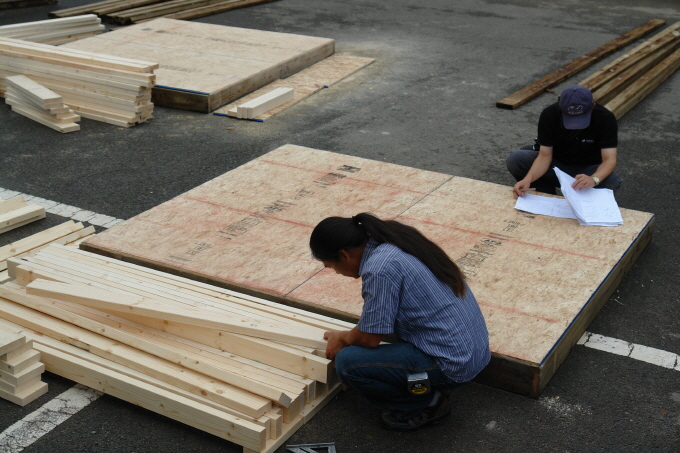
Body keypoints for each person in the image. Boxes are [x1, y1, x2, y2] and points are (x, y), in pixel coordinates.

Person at [309, 213, 491, 431]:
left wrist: (342, 338)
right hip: (474, 351)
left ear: (344, 255)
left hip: (452, 364)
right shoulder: (394, 239)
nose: (336, 272)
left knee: (349, 363)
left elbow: (368, 339)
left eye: (331, 266)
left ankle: (423, 403)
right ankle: (424, 384)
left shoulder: (378, 269)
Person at [506, 84, 621, 199]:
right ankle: (545, 194)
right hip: (556, 165)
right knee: (516, 159)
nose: (575, 125)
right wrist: (527, 179)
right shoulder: (549, 114)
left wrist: (594, 179)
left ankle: (585, 202)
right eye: (571, 119)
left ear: (593, 104)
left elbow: (609, 160)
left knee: (612, 181)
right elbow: (545, 156)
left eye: (581, 118)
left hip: (588, 168)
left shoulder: (606, 118)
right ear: (560, 105)